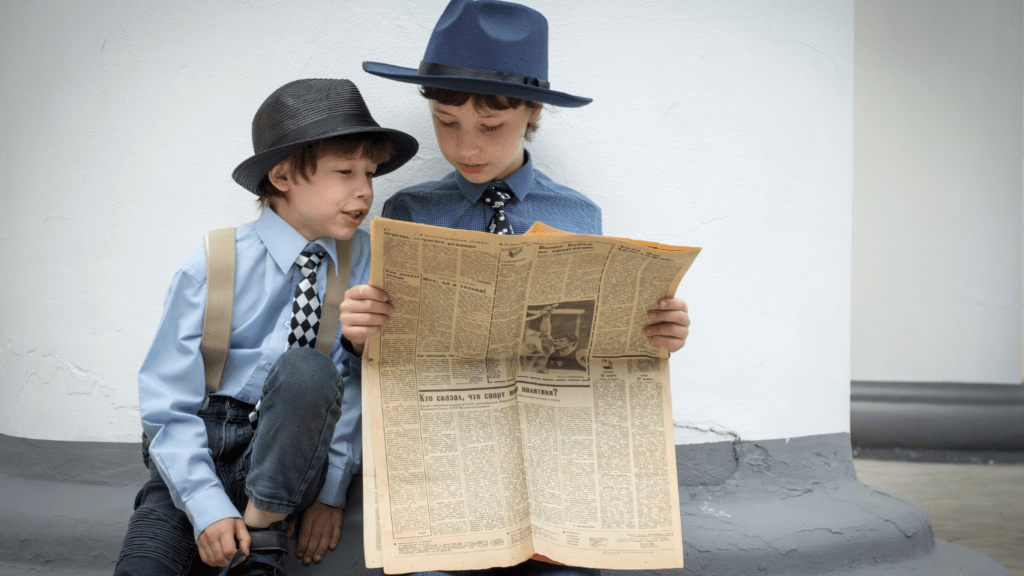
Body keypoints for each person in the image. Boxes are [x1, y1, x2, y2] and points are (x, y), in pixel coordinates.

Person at [341, 1, 689, 574]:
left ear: (532, 111)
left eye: (491, 127)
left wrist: (657, 332)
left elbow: (595, 353)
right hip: (445, 462)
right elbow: (382, 362)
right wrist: (360, 334)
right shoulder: (408, 212)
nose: (466, 148)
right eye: (446, 124)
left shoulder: (578, 215)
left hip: (557, 462)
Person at [114, 78, 417, 576]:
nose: (364, 191)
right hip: (203, 448)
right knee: (143, 568)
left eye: (369, 173)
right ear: (281, 176)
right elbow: (167, 405)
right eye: (344, 172)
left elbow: (358, 386)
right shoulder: (212, 262)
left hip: (292, 462)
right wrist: (205, 506)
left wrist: (332, 493)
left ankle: (261, 535)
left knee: (308, 368)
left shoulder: (364, 260)